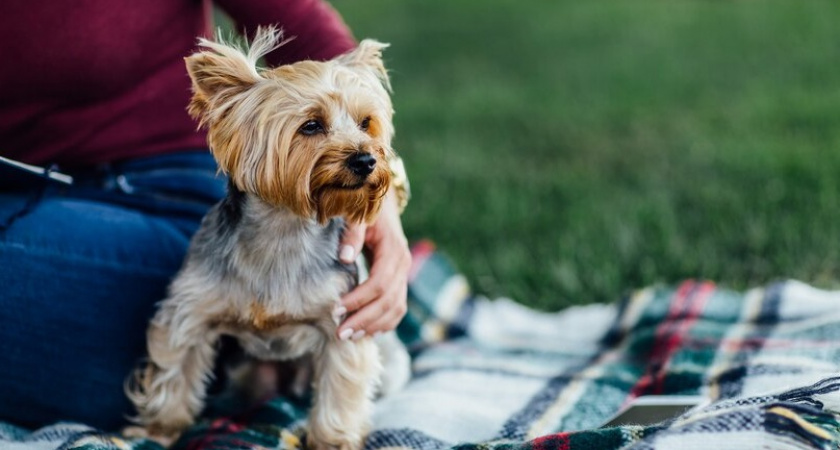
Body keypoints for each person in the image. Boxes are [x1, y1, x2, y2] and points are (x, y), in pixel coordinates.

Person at [0, 0, 411, 431]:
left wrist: (388, 203)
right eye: (311, 127)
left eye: (364, 127)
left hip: (160, 185)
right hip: (26, 191)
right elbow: (183, 327)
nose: (361, 152)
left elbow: (306, 25)